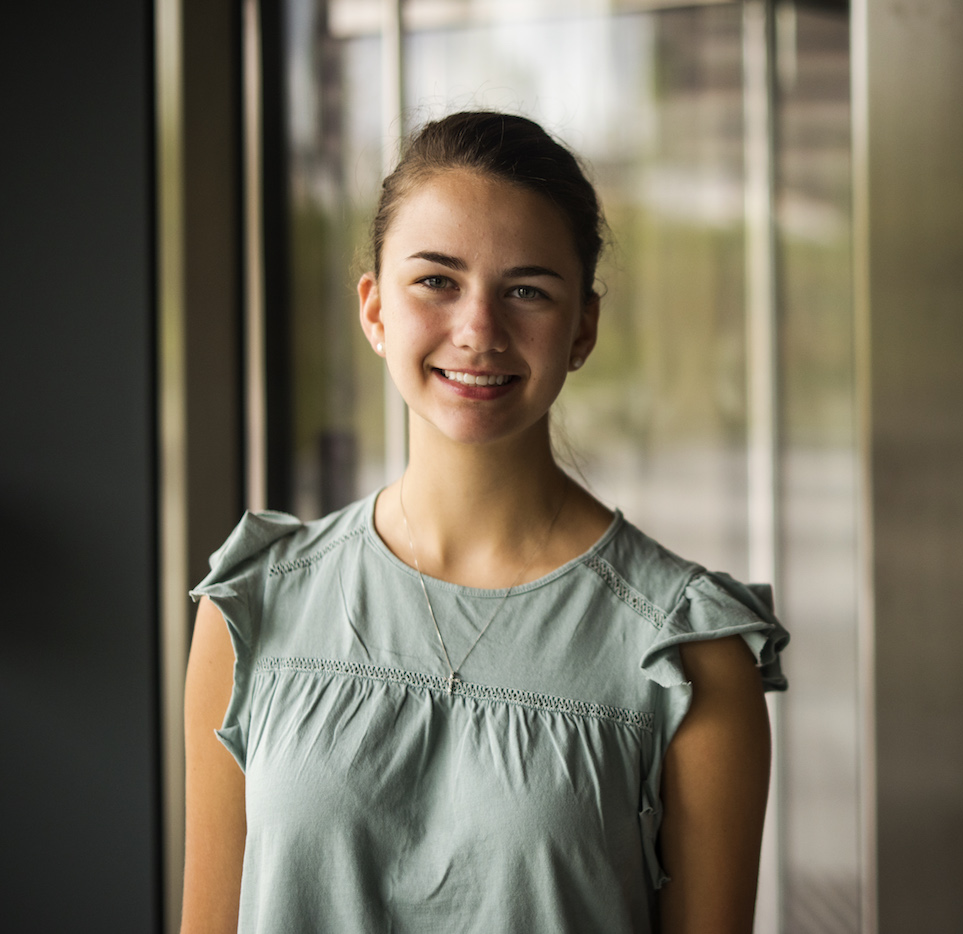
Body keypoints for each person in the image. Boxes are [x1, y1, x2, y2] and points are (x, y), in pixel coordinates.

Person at [181, 111, 788, 934]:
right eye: (436, 280)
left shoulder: (687, 656)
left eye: (527, 291)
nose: (478, 332)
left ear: (582, 328)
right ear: (374, 310)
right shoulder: (251, 612)